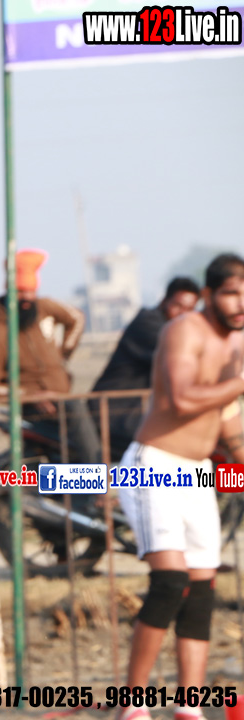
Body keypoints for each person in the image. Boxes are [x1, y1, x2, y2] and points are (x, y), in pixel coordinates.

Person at [114, 253, 244, 720]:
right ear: (209, 294)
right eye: (231, 293)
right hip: (155, 465)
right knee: (170, 582)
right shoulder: (184, 330)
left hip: (198, 472)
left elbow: (227, 421)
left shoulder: (237, 344)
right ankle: (133, 703)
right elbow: (184, 398)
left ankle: (190, 705)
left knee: (202, 589)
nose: (241, 303)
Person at [0, 248, 101, 464]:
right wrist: (31, 395)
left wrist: (62, 356)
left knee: (99, 408)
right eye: (20, 292)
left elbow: (77, 318)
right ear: (9, 291)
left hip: (60, 396)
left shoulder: (44, 308)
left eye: (31, 291)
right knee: (75, 408)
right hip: (32, 407)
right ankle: (99, 474)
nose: (27, 297)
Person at [91, 277, 201, 460]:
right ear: (164, 302)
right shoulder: (150, 325)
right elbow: (182, 358)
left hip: (135, 411)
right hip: (116, 411)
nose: (183, 313)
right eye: (178, 306)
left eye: (190, 309)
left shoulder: (173, 329)